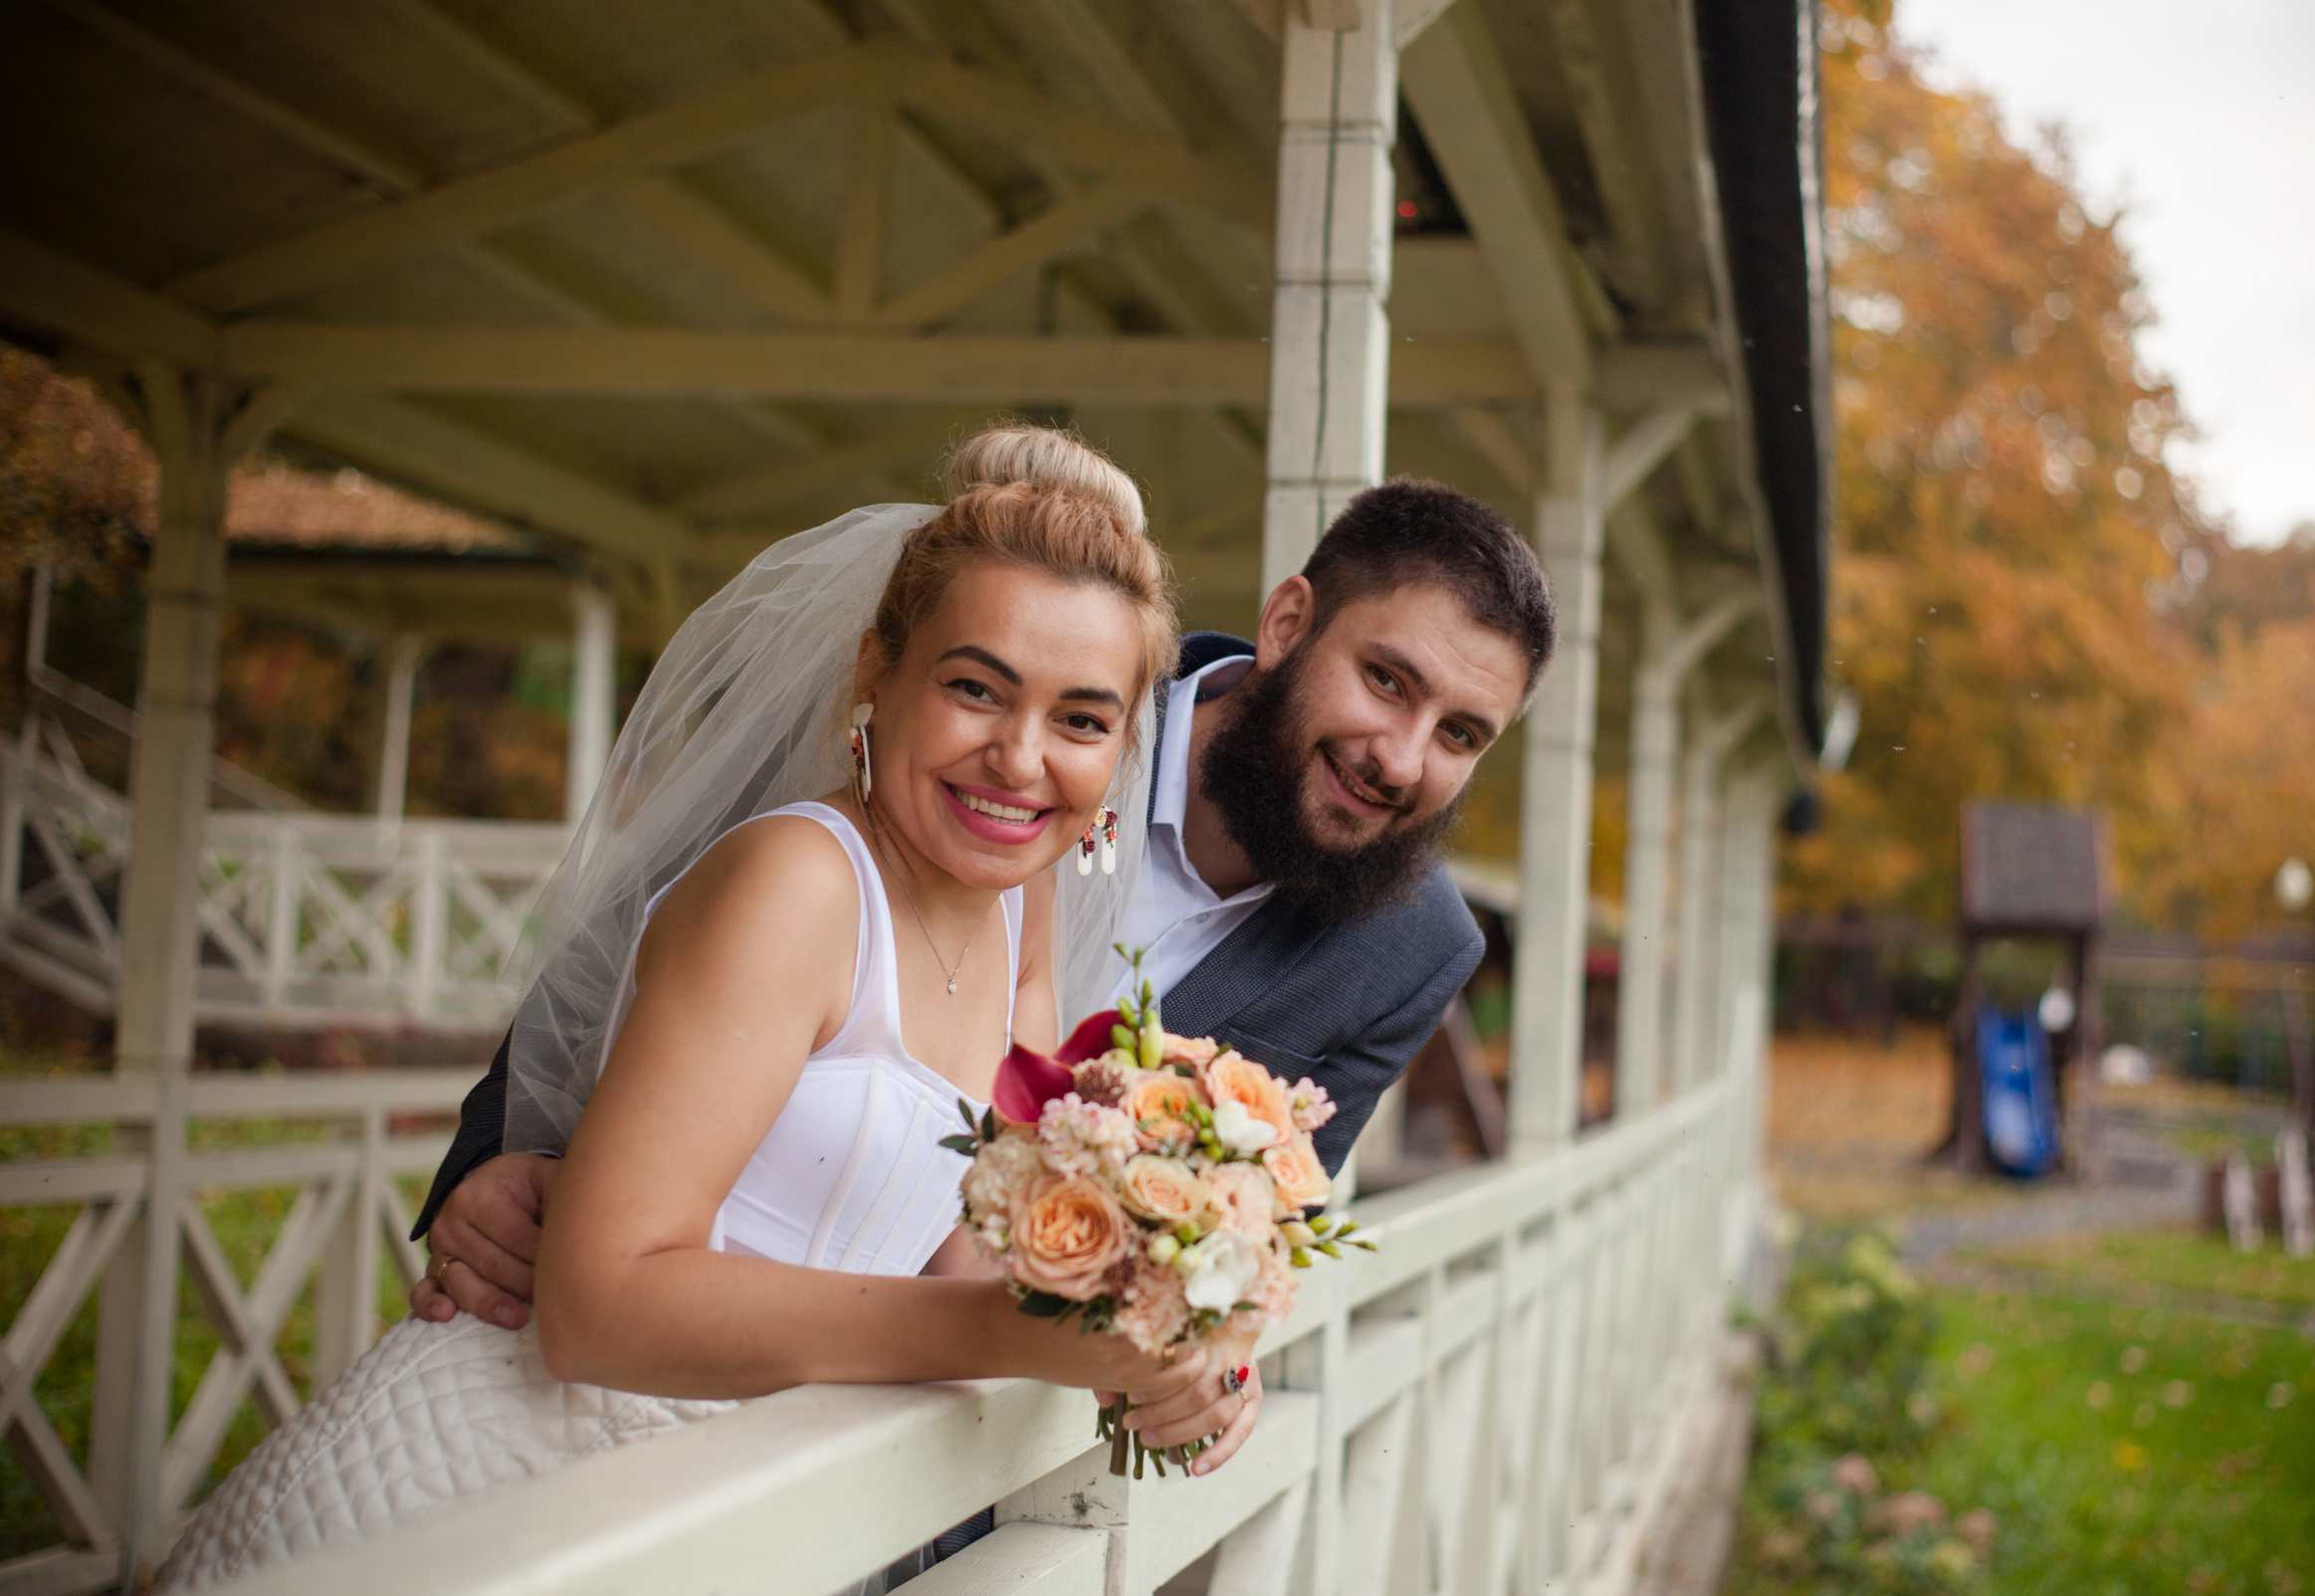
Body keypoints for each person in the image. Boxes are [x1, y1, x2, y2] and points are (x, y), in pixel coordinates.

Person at [161, 425, 1242, 1596]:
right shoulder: (797, 883)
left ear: (1123, 746)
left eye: (1081, 719)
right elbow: (599, 1309)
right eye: (975, 688)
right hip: (492, 1511)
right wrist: (1001, 1340)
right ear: (875, 673)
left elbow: (964, 1241)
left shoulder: (1018, 908)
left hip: (712, 1530)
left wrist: (1158, 1333)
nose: (1020, 758)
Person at [411, 477, 1556, 1340]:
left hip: (934, 1465)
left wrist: (1205, 1356)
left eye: (1461, 735)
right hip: (628, 1325)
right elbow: (672, 904)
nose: (1401, 758)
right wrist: (493, 1156)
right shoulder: (1024, 708)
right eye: (1387, 681)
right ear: (1291, 623)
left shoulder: (1413, 952)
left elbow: (1253, 1229)